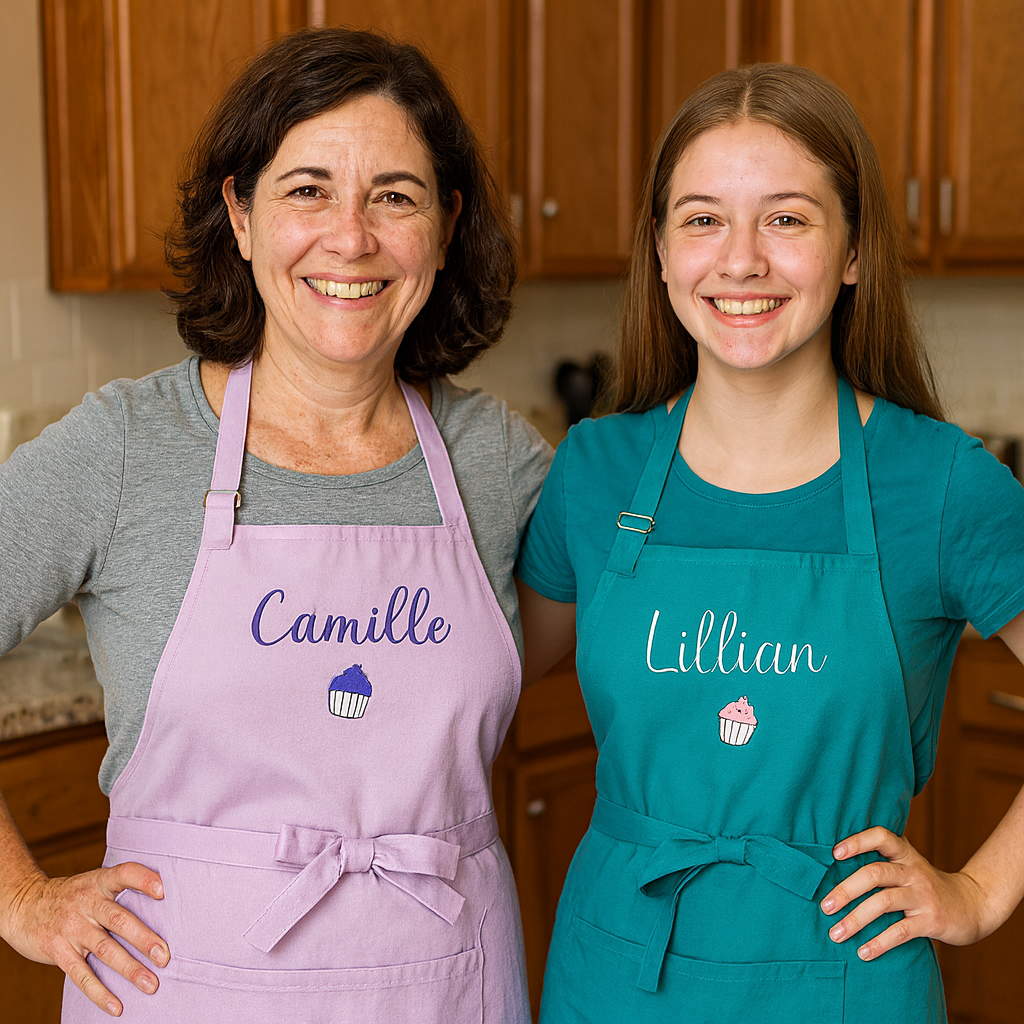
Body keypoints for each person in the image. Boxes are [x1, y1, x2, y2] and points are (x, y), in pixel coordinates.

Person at [0, 28, 548, 1022]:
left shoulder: (497, 462)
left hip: (446, 991)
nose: (351, 236)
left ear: (444, 224)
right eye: (305, 190)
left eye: (395, 194)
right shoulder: (125, 448)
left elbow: (659, 639)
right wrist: (21, 899)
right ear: (240, 216)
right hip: (182, 994)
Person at [515, 63, 1024, 1022]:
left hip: (842, 975)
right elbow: (467, 689)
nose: (740, 260)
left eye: (786, 218)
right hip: (616, 974)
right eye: (702, 219)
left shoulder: (941, 485)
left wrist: (979, 892)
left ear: (853, 251)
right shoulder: (596, 471)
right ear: (661, 254)